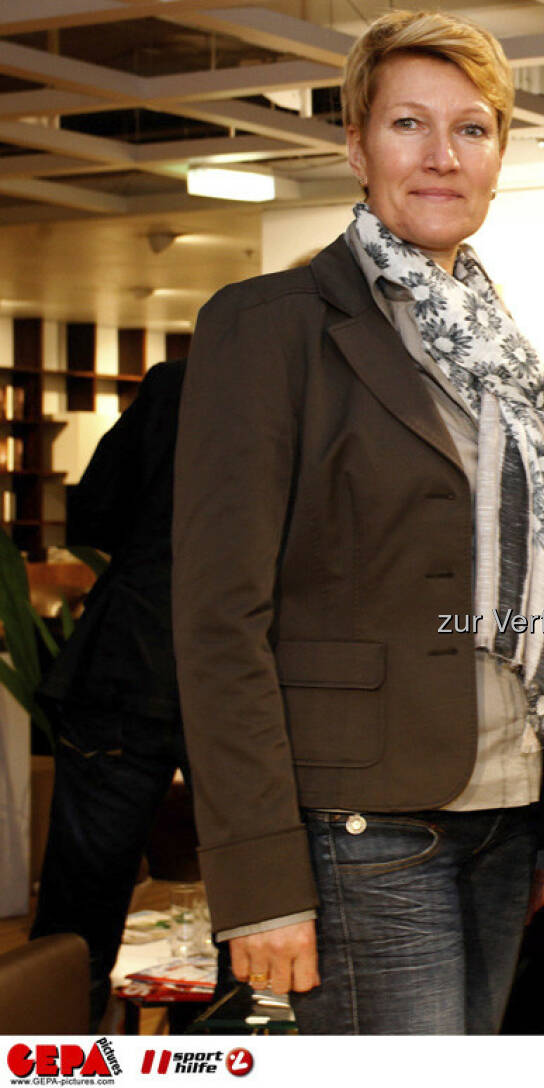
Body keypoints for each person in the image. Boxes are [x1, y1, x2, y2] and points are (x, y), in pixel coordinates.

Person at [172, 10, 544, 1034]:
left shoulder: (506, 356)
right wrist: (259, 881)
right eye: (408, 125)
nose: (442, 157)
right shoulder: (269, 327)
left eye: (471, 130)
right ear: (355, 145)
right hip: (361, 822)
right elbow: (220, 624)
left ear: (498, 156)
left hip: (504, 810)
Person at [31, 361, 187, 1030]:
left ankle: (48, 1067)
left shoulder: (181, 382)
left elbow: (94, 510)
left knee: (77, 918)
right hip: (255, 675)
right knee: (263, 909)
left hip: (131, 658)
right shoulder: (338, 389)